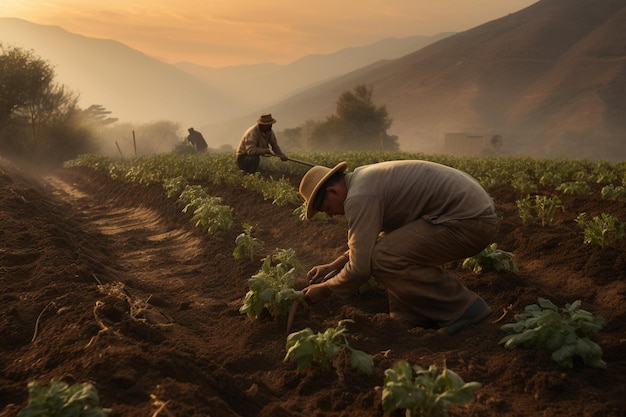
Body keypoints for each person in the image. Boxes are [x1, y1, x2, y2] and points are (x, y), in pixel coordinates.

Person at [298, 160, 499, 335]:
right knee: (388, 249)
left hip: (468, 221)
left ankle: (464, 309)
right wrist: (334, 265)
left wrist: (326, 288)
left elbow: (361, 268)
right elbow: (369, 241)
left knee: (384, 257)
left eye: (327, 209)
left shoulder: (359, 197)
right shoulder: (364, 181)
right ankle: (411, 317)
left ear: (332, 191)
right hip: (468, 215)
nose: (332, 215)